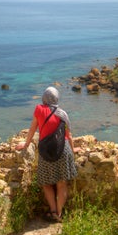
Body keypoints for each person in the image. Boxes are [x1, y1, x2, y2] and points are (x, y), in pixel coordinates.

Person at [18, 86, 77, 221]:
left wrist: (26, 144)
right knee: (62, 183)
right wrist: (73, 151)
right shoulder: (63, 114)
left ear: (44, 98)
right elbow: (69, 135)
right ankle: (59, 213)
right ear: (56, 98)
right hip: (64, 149)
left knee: (46, 183)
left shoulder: (39, 109)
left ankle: (52, 210)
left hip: (46, 150)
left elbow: (33, 129)